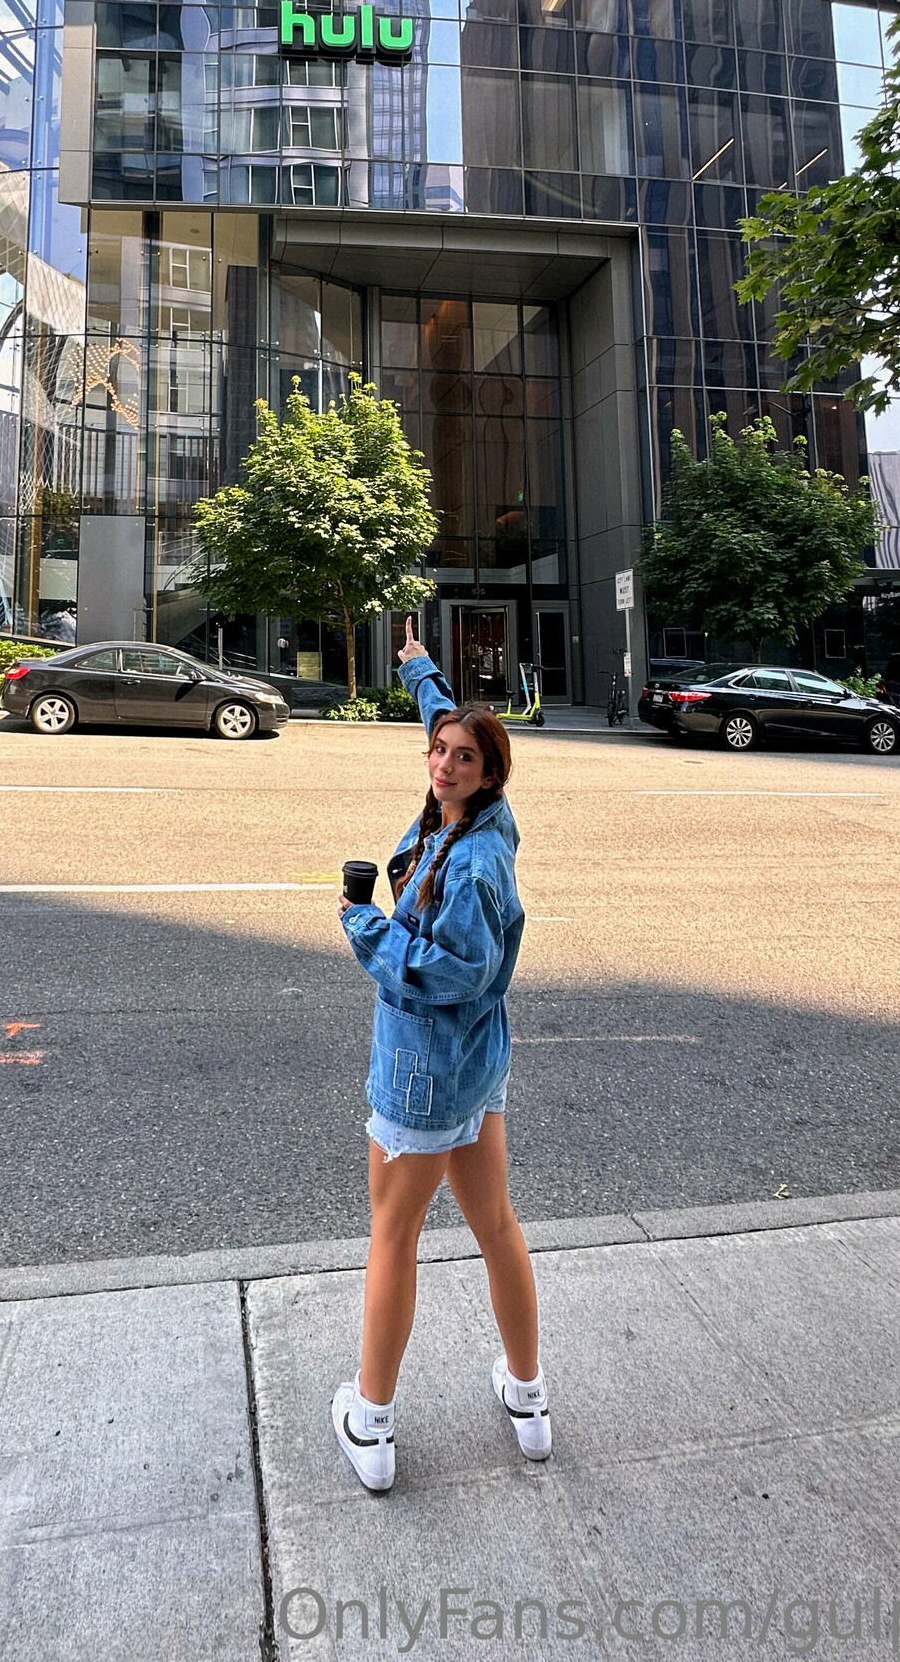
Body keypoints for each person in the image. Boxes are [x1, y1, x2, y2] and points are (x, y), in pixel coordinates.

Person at [333, 618, 549, 1492]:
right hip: (475, 1067)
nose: (443, 764)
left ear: (491, 773)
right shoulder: (476, 814)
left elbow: (451, 973)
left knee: (393, 1236)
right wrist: (420, 668)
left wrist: (363, 924)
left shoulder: (473, 865)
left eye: (464, 758)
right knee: (496, 1225)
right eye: (438, 752)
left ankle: (371, 1421)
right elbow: (447, 718)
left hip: (423, 1067)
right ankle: (528, 1400)